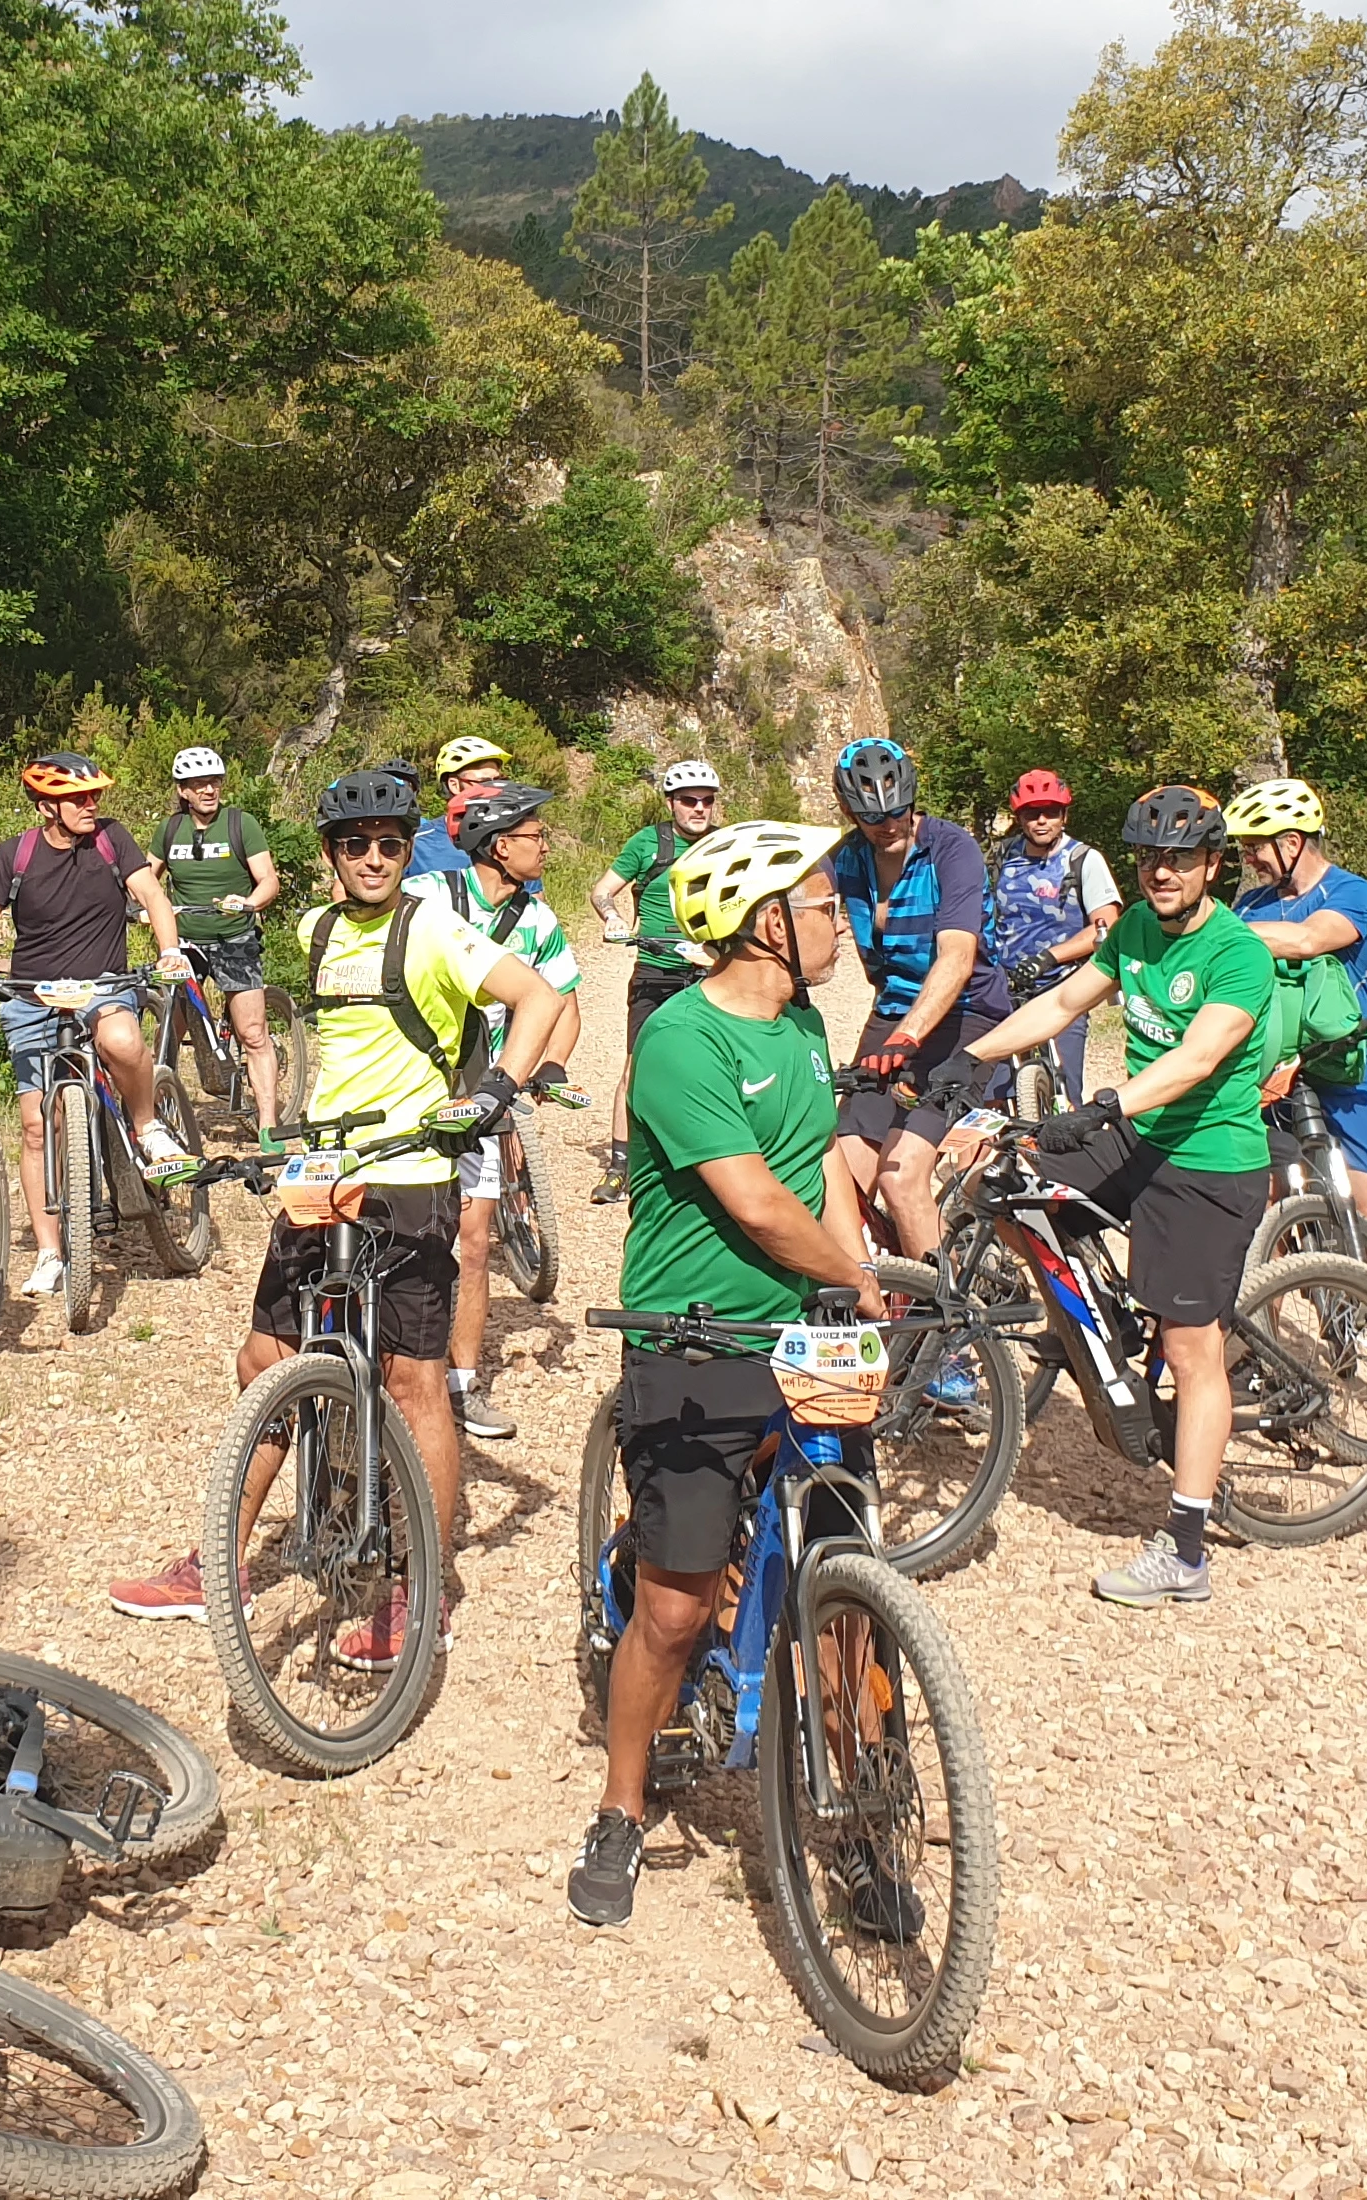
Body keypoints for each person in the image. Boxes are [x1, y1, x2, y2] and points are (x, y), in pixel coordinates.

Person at [106, 765, 562, 1654]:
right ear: (329, 855)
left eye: (392, 844)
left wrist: (497, 1092)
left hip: (413, 1174)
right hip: (323, 1168)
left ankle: (415, 1588)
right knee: (266, 1357)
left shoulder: (434, 927)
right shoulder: (314, 930)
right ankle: (218, 1561)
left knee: (412, 1380)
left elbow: (537, 998)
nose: (375, 859)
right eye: (356, 845)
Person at [568, 818, 886, 1929]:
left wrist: (866, 1280)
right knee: (673, 1606)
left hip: (807, 1340)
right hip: (694, 1342)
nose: (838, 921)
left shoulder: (802, 1024)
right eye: (820, 908)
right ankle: (620, 1802)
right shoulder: (681, 1041)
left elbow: (819, 1174)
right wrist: (849, 1269)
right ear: (765, 924)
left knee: (848, 1595)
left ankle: (858, 1815)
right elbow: (751, 1198)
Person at [947, 782, 1278, 1611]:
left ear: (1212, 864)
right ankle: (1094, 1317)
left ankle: (1187, 1547)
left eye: (1179, 858)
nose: (1161, 870)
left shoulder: (1238, 953)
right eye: (1148, 857)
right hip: (1142, 1134)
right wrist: (969, 1060)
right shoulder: (1132, 927)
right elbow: (1063, 1001)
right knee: (1009, 1187)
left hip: (1210, 1159)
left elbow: (1197, 1060)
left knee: (1191, 1348)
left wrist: (1101, 1108)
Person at [0, 752, 192, 1299]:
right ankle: (51, 1251)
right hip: (32, 996)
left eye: (95, 797)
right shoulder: (18, 853)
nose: (91, 805)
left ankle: (148, 1125)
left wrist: (169, 949)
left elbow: (151, 894)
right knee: (38, 1127)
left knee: (122, 1039)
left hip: (102, 986)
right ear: (46, 806)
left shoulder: (112, 839)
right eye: (79, 799)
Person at [415, 779, 583, 1439]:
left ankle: (460, 1383)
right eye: (535, 837)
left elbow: (562, 1004)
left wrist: (548, 1067)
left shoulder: (537, 919)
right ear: (498, 846)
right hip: (415, 1082)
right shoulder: (430, 898)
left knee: (475, 1242)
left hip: (482, 1091)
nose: (546, 847)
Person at [819, 737, 997, 1261]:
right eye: (870, 815)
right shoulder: (846, 859)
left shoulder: (951, 848)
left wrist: (908, 1037)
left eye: (897, 811)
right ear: (849, 811)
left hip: (967, 1017)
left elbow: (957, 959)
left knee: (901, 1178)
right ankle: (868, 1302)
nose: (887, 824)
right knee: (840, 1180)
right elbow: (802, 918)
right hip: (894, 1012)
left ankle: (949, 1334)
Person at [1223, 776, 1367, 1240]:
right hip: (1272, 1070)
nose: (1249, 859)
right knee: (1267, 1208)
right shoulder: (1251, 905)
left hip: (1347, 1063)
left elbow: (1308, 940)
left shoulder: (1352, 893)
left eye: (1255, 847)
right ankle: (1263, 1310)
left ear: (1292, 843)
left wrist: (1214, 932)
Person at [588, 757, 723, 1203]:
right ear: (670, 803)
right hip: (656, 967)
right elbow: (603, 890)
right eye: (689, 800)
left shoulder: (726, 845)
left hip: (711, 969)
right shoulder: (650, 843)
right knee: (637, 1065)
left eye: (707, 801)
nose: (699, 809)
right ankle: (620, 1164)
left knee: (715, 1066)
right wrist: (613, 918)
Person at [155, 744, 283, 1134]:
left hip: (234, 937)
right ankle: (161, 1118)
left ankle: (267, 1124)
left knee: (252, 1032)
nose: (208, 790)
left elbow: (268, 880)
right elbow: (146, 879)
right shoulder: (170, 829)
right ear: (183, 790)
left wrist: (248, 903)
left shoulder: (240, 824)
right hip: (185, 943)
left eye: (213, 782)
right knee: (168, 1034)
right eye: (198, 784)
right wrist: (141, 906)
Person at [985, 770, 1122, 1107]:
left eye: (1050, 811)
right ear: (1020, 818)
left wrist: (1049, 958)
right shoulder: (1001, 858)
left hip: (1063, 989)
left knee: (1065, 1093)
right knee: (993, 1092)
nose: (1042, 820)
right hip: (1007, 987)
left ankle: (1064, 1155)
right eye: (1032, 813)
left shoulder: (1083, 860)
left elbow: (1105, 926)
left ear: (1064, 815)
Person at [405, 732, 508, 887]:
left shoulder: (513, 839)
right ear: (454, 785)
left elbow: (534, 902)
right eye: (484, 782)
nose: (496, 789)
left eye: (499, 781)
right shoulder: (417, 845)